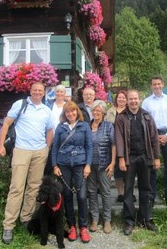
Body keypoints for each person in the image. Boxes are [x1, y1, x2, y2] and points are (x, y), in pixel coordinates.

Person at [0, 82, 54, 245]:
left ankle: (26, 219)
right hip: (21, 150)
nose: (37, 93)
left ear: (44, 93)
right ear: (30, 91)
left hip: (39, 152)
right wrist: (1, 145)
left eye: (40, 91)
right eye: (35, 90)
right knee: (16, 187)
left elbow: (50, 130)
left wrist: (46, 147)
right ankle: (8, 225)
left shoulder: (46, 110)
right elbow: (7, 123)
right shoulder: (20, 104)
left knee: (34, 187)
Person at [115, 90, 161, 236]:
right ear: (127, 101)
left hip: (144, 156)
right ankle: (129, 221)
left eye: (136, 98)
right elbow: (119, 139)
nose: (133, 101)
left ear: (139, 100)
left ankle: (145, 218)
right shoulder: (121, 118)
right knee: (128, 190)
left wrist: (156, 157)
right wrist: (121, 158)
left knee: (145, 189)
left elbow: (154, 137)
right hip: (129, 158)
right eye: (131, 99)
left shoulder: (147, 116)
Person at [51, 101, 93, 243]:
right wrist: (54, 165)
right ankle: (72, 226)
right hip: (63, 165)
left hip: (80, 164)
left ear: (77, 112)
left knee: (81, 196)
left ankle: (83, 227)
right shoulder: (60, 127)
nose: (71, 114)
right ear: (64, 114)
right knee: (67, 195)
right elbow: (55, 147)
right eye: (68, 111)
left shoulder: (84, 126)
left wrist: (88, 164)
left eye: (73, 111)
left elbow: (89, 146)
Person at [142, 76, 167, 209]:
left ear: (163, 84)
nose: (156, 86)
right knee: (152, 167)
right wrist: (155, 136)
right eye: (154, 84)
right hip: (152, 136)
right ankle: (152, 195)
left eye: (158, 84)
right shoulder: (146, 102)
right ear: (151, 86)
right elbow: (144, 122)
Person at [87, 100, 116, 234]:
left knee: (105, 192)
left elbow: (113, 145)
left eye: (98, 110)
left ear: (103, 112)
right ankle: (94, 219)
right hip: (89, 165)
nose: (96, 112)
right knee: (92, 192)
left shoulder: (108, 126)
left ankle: (107, 220)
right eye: (94, 110)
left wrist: (112, 163)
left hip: (105, 164)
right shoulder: (86, 126)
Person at [105, 90, 128, 202]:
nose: (121, 99)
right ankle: (120, 193)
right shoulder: (110, 112)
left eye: (124, 98)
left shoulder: (130, 111)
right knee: (118, 170)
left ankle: (129, 192)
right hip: (113, 144)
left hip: (128, 145)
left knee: (128, 170)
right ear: (116, 99)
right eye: (119, 97)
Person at [44, 85, 67, 176]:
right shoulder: (48, 105)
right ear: (55, 93)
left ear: (65, 94)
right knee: (49, 163)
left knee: (62, 164)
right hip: (50, 138)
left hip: (64, 139)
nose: (59, 94)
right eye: (57, 91)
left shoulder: (68, 105)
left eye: (62, 92)